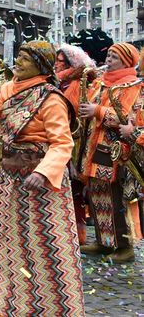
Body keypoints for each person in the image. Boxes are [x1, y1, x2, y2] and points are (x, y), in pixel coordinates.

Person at [0, 41, 84, 315]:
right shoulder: (7, 89)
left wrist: (43, 171)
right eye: (18, 56)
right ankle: (13, 306)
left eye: (25, 58)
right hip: (11, 183)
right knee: (9, 248)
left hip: (42, 188)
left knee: (46, 254)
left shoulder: (51, 98)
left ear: (40, 65)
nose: (17, 61)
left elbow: (62, 143)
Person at [79, 42, 143, 262]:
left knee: (115, 199)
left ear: (126, 61)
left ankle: (124, 247)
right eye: (109, 55)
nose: (109, 59)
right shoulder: (100, 83)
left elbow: (129, 119)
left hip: (115, 150)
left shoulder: (133, 86)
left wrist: (97, 111)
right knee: (98, 196)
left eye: (115, 57)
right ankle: (103, 241)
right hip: (95, 146)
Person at [55, 43, 96, 245]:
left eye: (60, 61)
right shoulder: (62, 82)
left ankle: (75, 236)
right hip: (66, 142)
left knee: (74, 191)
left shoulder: (74, 85)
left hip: (72, 145)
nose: (55, 64)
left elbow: (68, 117)